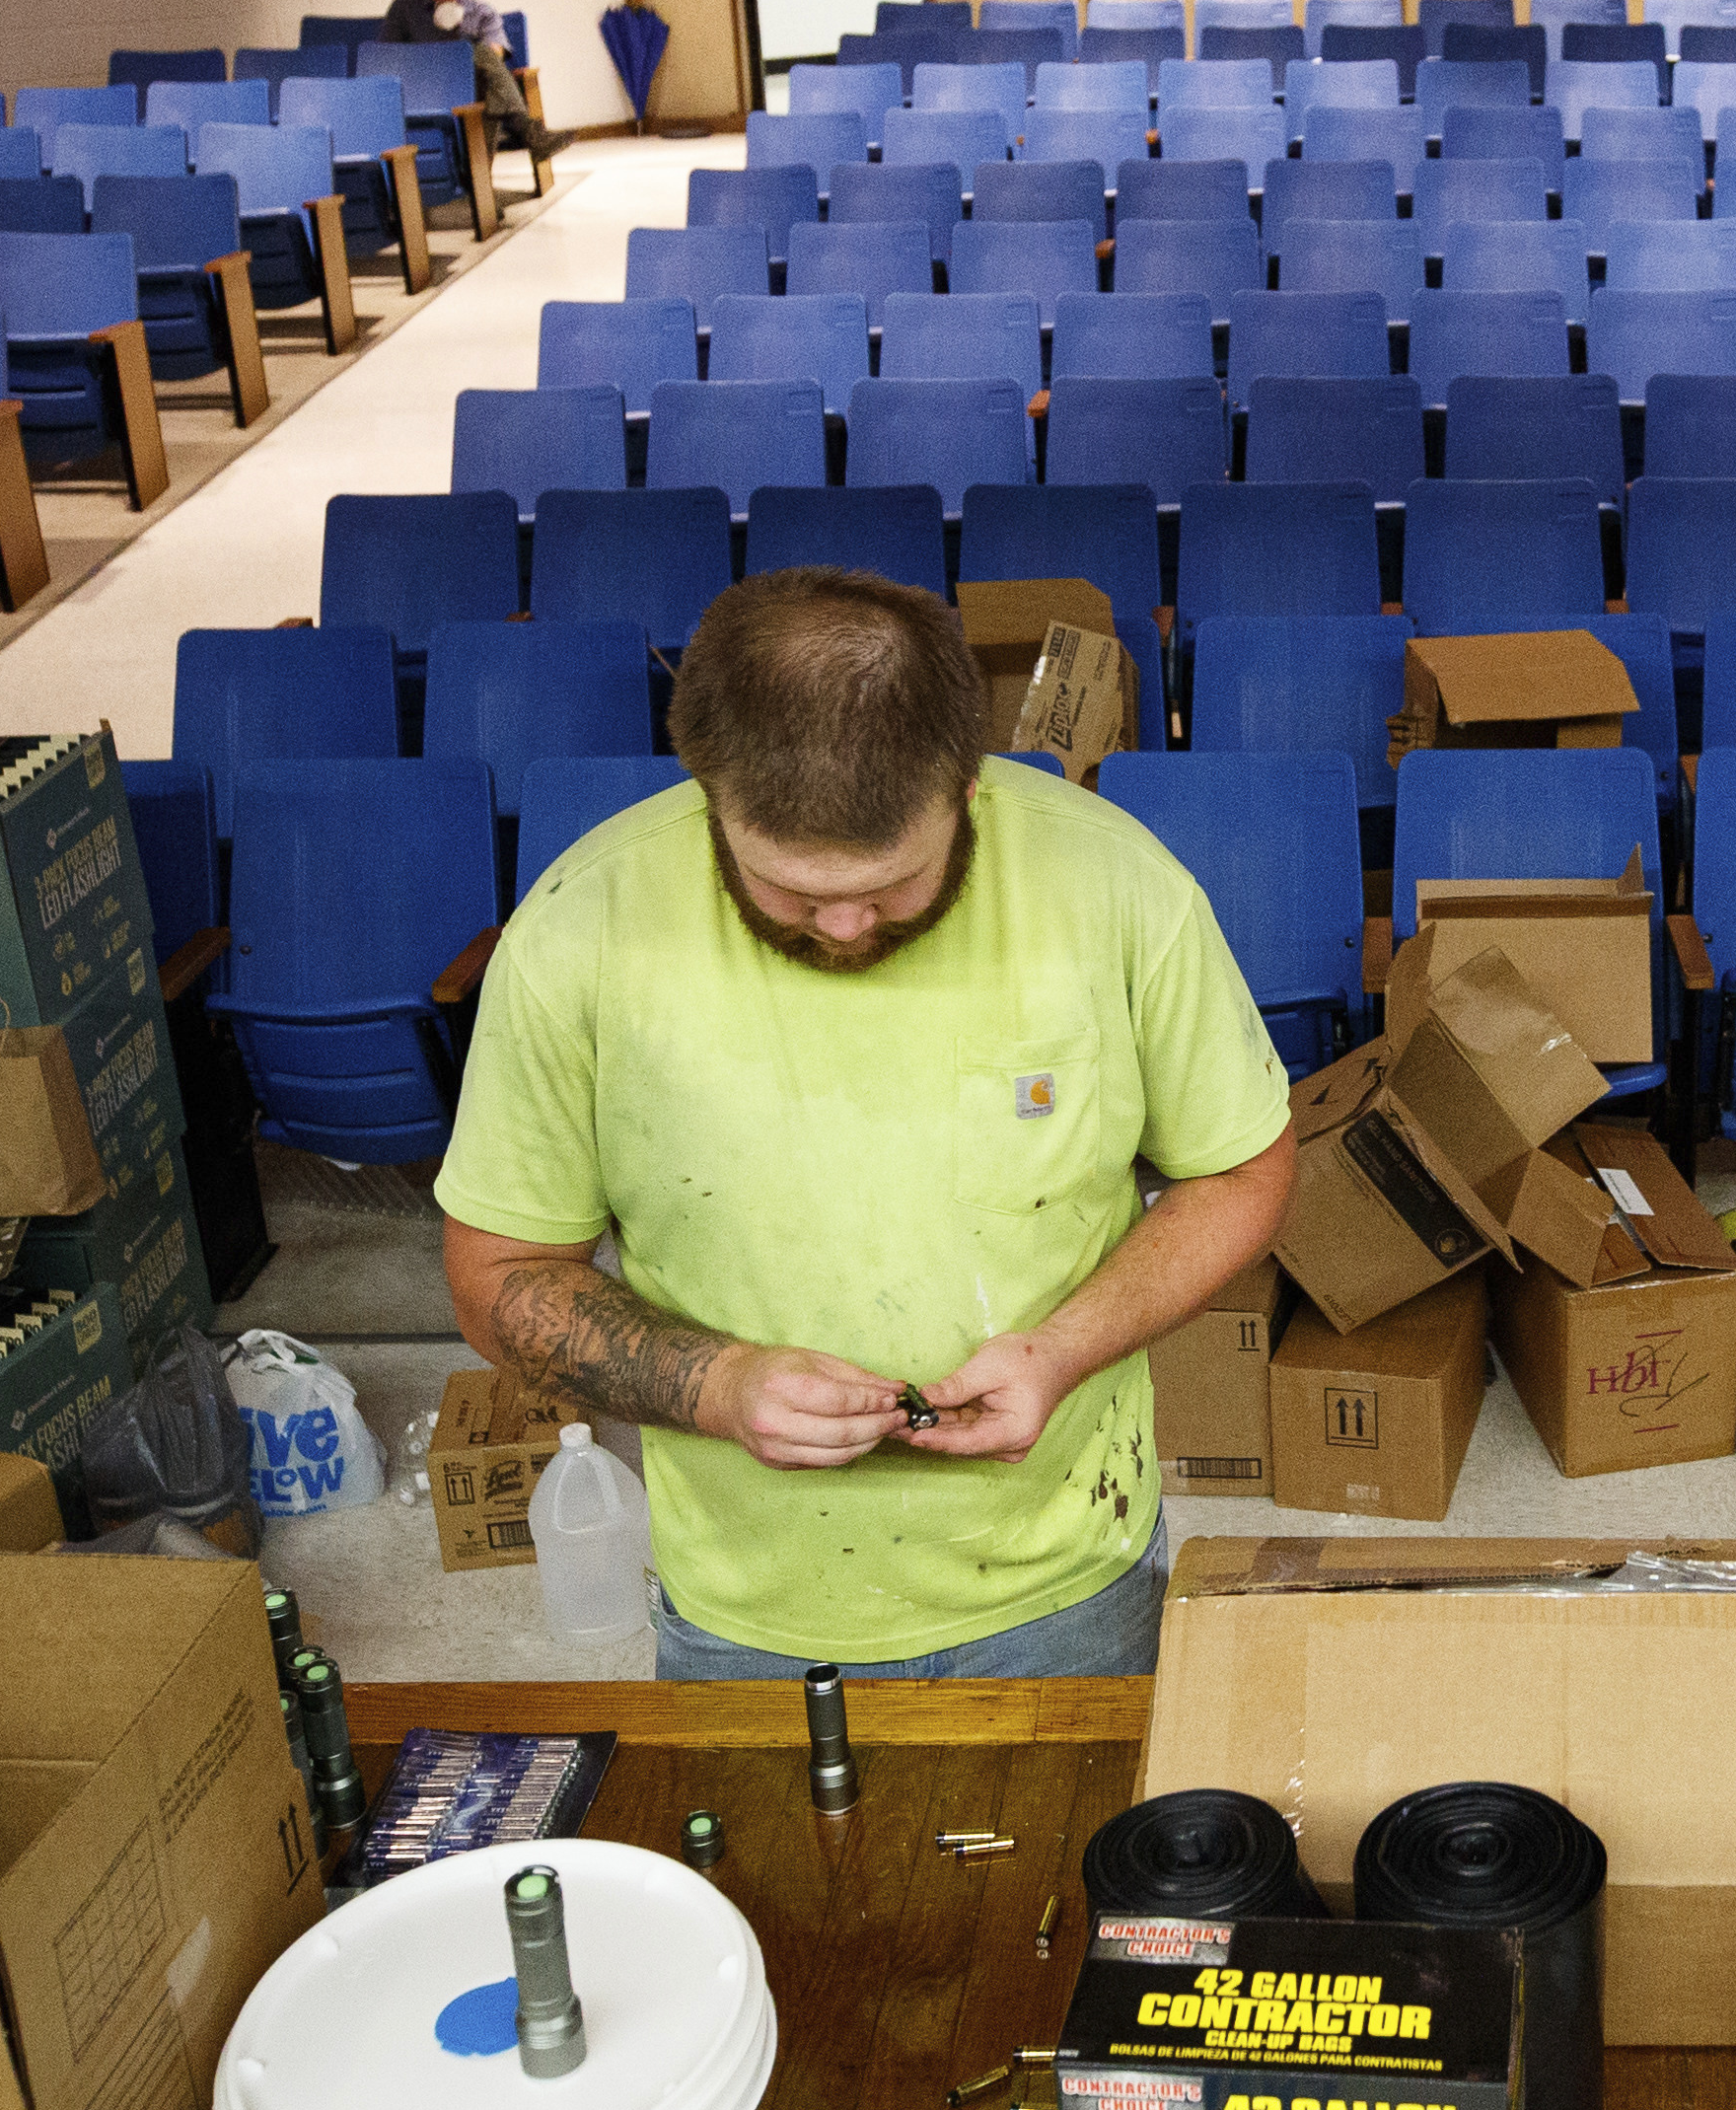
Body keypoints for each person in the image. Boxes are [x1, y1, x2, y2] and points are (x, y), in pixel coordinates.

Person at [434, 570, 1292, 1679]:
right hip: (746, 1605)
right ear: (709, 795)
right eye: (789, 891)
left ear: (968, 789)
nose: (844, 928)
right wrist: (720, 1388)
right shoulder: (575, 932)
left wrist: (1063, 1353)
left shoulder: (1121, 889)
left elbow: (1243, 1171)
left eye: (894, 885)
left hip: (1068, 1573)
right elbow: (496, 1270)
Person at [380, 0, 550, 152]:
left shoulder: (480, 11)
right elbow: (386, 55)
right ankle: (526, 130)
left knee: (486, 68)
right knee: (490, 80)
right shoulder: (405, 7)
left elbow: (495, 52)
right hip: (424, 87)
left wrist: (461, 55)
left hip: (472, 85)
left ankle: (476, 179)